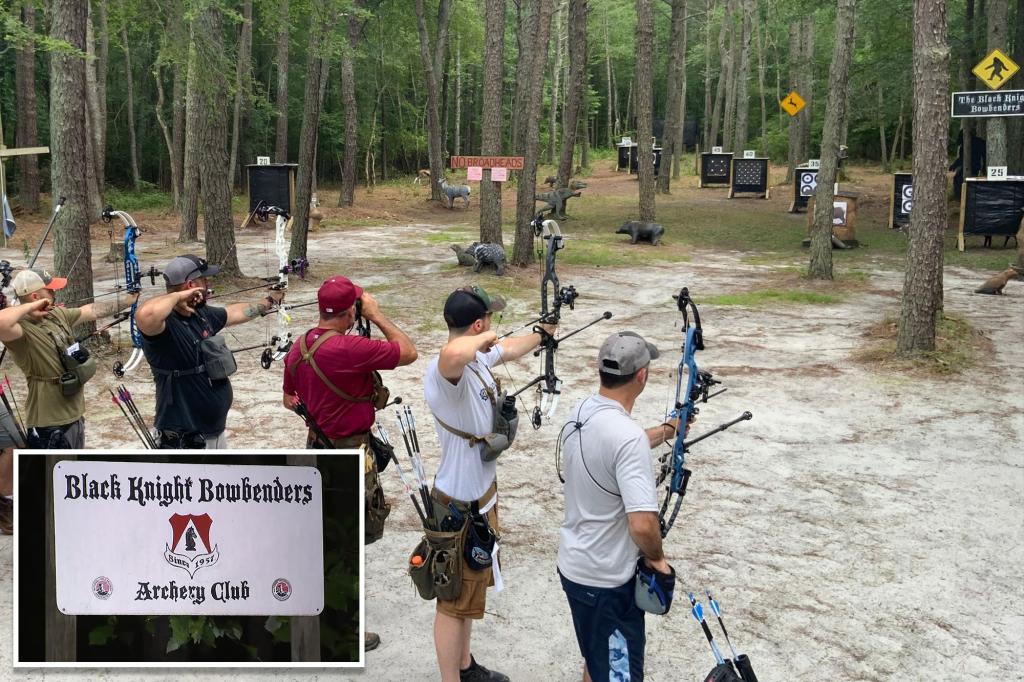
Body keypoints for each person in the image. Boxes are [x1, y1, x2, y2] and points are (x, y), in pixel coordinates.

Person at [423, 285, 556, 682]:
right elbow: (453, 353)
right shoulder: (446, 371)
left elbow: (512, 348)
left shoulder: (478, 359)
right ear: (478, 323)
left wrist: (543, 332)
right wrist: (483, 337)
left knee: (469, 590)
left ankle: (466, 666)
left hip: (480, 496)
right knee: (451, 600)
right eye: (489, 320)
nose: (494, 327)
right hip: (457, 503)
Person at [281, 275, 417, 653]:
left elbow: (289, 399)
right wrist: (378, 314)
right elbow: (408, 351)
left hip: (316, 449)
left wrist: (322, 414)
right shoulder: (351, 348)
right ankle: (340, 624)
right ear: (350, 311)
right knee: (350, 537)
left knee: (324, 531)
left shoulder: (301, 346)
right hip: (352, 453)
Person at [557, 331, 683, 682]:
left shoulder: (581, 410)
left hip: (575, 567)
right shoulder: (626, 439)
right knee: (617, 674)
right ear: (642, 375)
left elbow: (618, 447)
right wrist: (657, 558)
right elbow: (643, 525)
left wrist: (667, 430)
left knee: (596, 659)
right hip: (608, 583)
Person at [135, 254, 283, 449]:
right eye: (203, 280)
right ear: (191, 285)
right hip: (183, 437)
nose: (207, 283)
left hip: (214, 431)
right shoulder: (164, 325)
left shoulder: (200, 312)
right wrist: (179, 296)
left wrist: (269, 301)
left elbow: (234, 313)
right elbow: (146, 314)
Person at [0, 268, 134, 448]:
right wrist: (30, 308)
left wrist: (126, 301)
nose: (54, 293)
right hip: (48, 423)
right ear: (35, 297)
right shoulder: (20, 330)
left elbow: (90, 311)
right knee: (50, 475)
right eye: (50, 290)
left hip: (75, 415)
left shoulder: (55, 314)